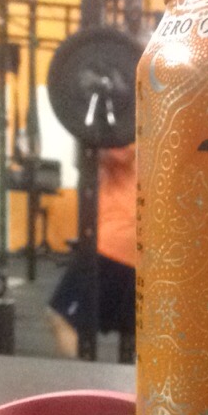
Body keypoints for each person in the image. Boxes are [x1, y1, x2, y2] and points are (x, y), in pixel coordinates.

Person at [47, 144, 136, 357]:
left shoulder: (124, 139)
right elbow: (80, 161)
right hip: (131, 248)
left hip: (111, 248)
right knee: (131, 330)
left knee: (61, 317)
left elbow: (115, 148)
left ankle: (80, 376)